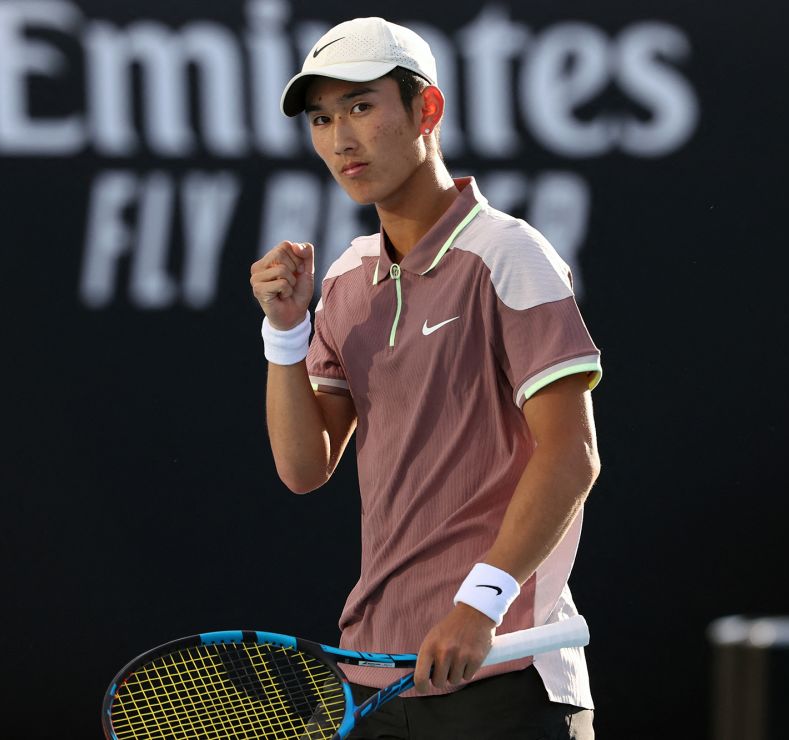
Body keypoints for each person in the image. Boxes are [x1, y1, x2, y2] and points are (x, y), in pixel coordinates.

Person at [250, 16, 602, 739]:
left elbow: (571, 454)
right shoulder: (347, 279)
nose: (340, 138)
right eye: (321, 118)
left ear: (427, 110)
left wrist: (480, 604)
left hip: (501, 671)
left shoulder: (510, 253)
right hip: (376, 679)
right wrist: (285, 330)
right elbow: (303, 467)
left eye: (360, 106)